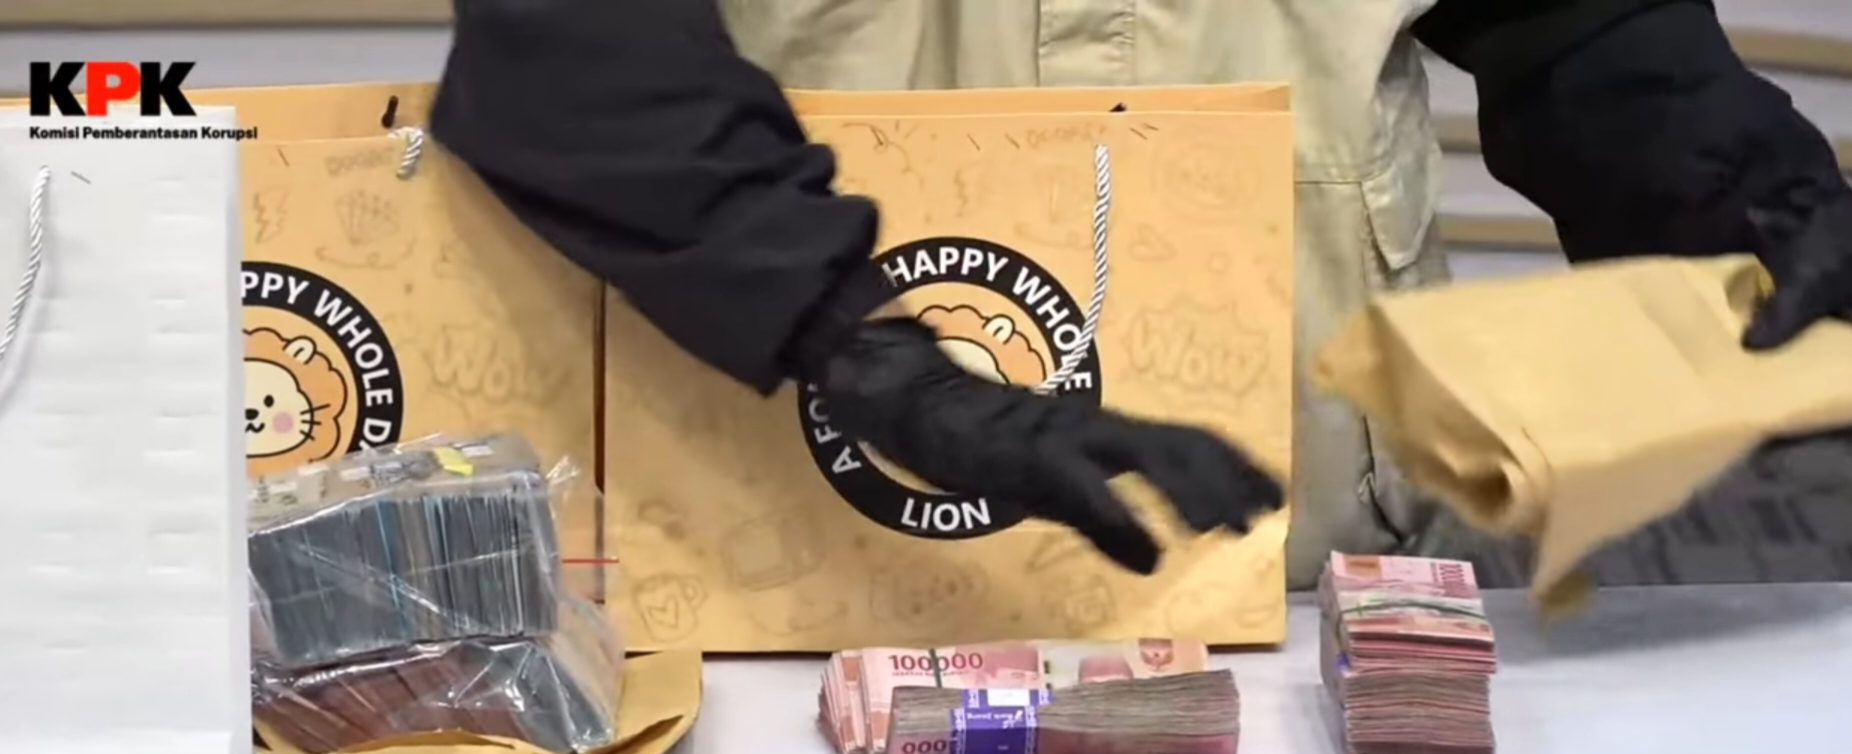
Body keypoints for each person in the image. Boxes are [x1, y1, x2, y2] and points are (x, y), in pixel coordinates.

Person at [430, 0, 1852, 589]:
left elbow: (1586, 34)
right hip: (802, 574)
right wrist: (860, 353)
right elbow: (571, 56)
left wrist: (1754, 199)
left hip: (1326, 573)